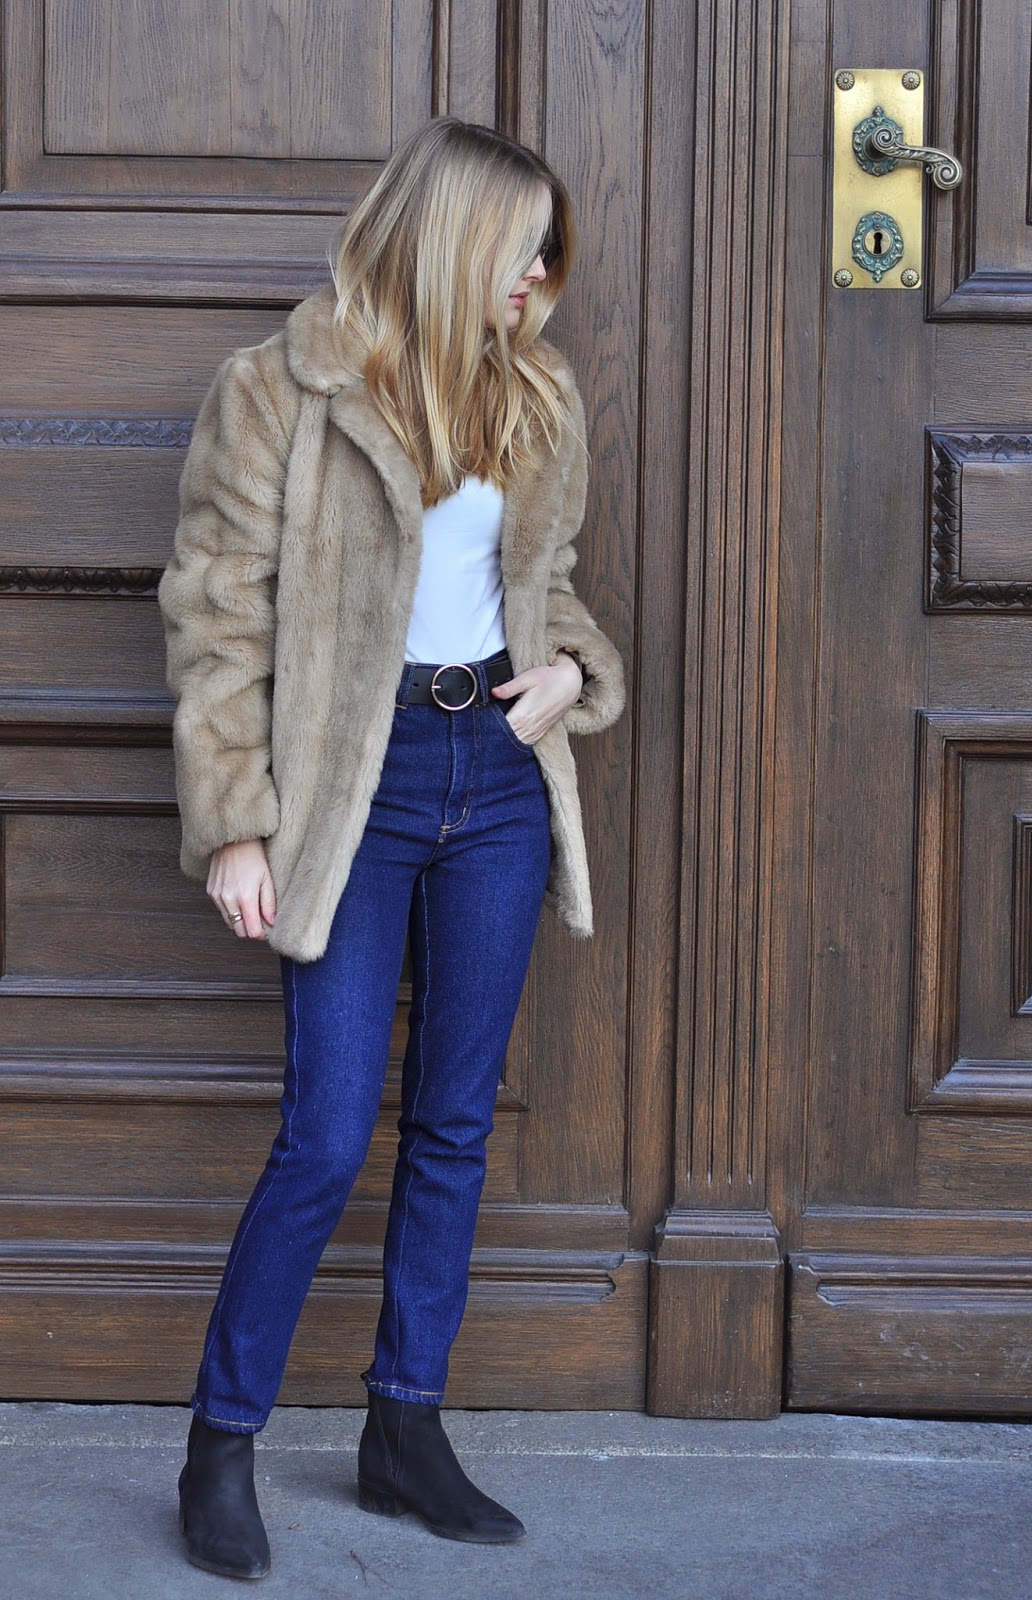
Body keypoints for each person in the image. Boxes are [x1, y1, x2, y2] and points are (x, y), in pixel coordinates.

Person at [157, 115, 626, 1581]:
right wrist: (236, 823)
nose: (540, 274)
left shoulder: (535, 394)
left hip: (495, 775)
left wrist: (571, 674)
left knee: (454, 1124)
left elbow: (546, 585)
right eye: (521, 247)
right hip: (345, 793)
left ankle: (403, 1428)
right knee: (324, 1133)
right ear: (449, 238)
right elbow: (216, 615)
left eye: (549, 253)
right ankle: (220, 1442)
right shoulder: (278, 391)